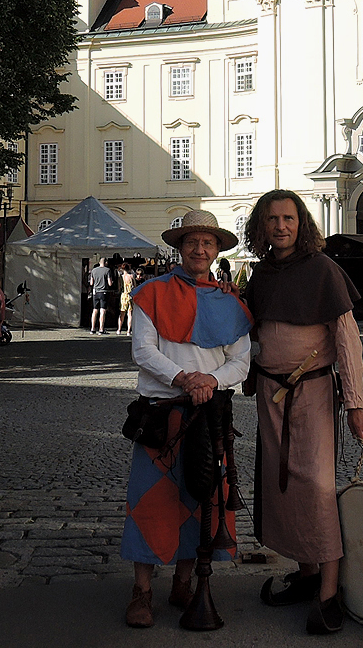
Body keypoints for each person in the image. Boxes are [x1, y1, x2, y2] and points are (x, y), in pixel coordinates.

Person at [243, 190, 363, 636]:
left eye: (289, 218)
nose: (281, 226)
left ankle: (329, 591)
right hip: (270, 394)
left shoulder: (323, 270)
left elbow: (347, 340)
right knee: (282, 486)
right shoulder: (259, 274)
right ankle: (306, 573)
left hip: (314, 392)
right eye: (272, 219)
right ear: (261, 227)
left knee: (316, 485)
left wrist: (355, 403)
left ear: (302, 224)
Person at [122, 211, 253, 629]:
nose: (200, 249)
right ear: (180, 247)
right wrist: (184, 378)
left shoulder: (231, 303)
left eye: (208, 242)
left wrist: (208, 381)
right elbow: (144, 352)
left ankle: (182, 583)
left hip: (208, 416)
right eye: (193, 241)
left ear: (217, 250)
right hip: (162, 416)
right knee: (150, 504)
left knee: (200, 505)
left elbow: (241, 364)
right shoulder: (149, 293)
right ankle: (142, 591)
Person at [91, 254, 119, 333]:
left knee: (95, 310)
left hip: (95, 292)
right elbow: (110, 283)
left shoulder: (94, 270)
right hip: (104, 292)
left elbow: (91, 283)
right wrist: (112, 282)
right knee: (102, 311)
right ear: (106, 262)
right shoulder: (107, 270)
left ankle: (93, 328)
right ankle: (101, 329)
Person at [117, 261, 137, 334]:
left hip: (123, 295)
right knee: (130, 314)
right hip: (130, 295)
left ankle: (119, 329)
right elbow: (135, 286)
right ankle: (128, 330)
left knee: (122, 313)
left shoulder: (121, 278)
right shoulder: (131, 276)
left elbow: (119, 288)